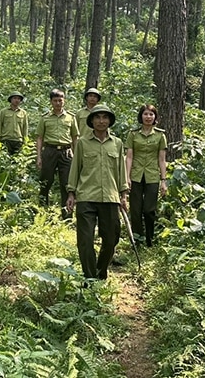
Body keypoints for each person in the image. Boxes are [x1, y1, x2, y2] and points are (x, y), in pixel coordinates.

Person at [65, 104, 129, 280]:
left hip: (110, 197)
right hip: (86, 197)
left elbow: (121, 171)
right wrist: (71, 193)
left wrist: (124, 195)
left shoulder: (117, 143)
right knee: (85, 241)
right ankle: (90, 278)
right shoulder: (83, 144)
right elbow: (75, 169)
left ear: (110, 121)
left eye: (105, 117)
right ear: (91, 121)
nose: (101, 121)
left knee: (111, 240)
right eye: (98, 117)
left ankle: (100, 272)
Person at [125, 104, 167, 247]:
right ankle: (137, 239)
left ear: (155, 117)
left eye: (151, 114)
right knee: (135, 210)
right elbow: (129, 157)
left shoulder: (160, 135)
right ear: (141, 116)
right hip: (136, 175)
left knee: (149, 210)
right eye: (145, 114)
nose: (148, 117)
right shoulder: (133, 134)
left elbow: (162, 159)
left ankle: (150, 239)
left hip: (152, 176)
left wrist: (163, 180)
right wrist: (127, 177)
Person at [36, 89, 79, 217]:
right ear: (51, 102)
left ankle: (67, 215)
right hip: (49, 151)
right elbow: (39, 138)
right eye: (55, 100)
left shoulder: (71, 117)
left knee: (67, 183)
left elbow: (75, 137)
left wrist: (76, 156)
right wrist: (39, 156)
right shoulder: (45, 118)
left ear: (64, 101)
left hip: (66, 152)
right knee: (45, 181)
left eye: (60, 100)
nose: (58, 103)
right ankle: (42, 212)